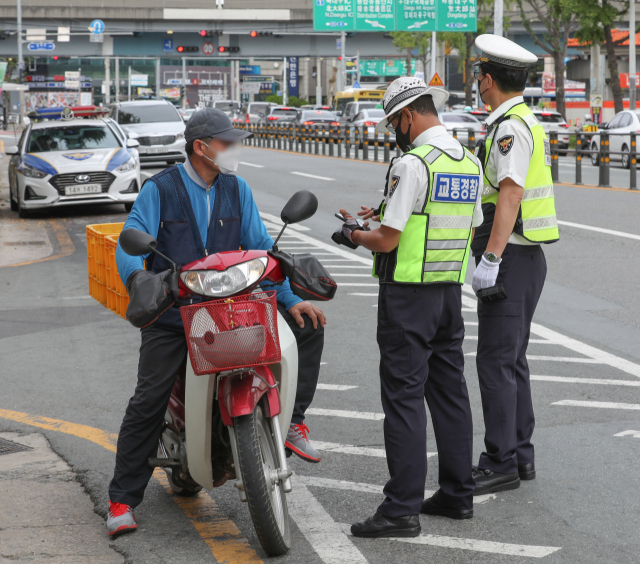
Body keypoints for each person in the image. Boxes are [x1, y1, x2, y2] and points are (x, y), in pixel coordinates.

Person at [106, 108, 326, 536]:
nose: (234, 149)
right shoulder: (161, 189)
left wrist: (290, 297)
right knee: (148, 400)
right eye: (227, 143)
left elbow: (261, 246)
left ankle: (292, 421)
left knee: (307, 327)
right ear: (201, 148)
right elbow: (129, 242)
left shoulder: (235, 188)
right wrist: (139, 279)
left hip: (230, 309)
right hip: (174, 313)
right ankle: (121, 500)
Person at [345, 77, 484, 538]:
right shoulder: (467, 160)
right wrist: (383, 215)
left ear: (407, 115)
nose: (393, 132)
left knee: (404, 399)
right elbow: (465, 220)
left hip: (408, 296)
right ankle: (457, 494)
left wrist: (354, 234)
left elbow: (388, 239)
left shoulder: (412, 163)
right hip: (449, 295)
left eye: (393, 123)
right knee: (450, 393)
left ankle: (401, 508)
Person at [470, 35, 559, 495]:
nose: (478, 86)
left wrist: (490, 258)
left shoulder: (509, 127)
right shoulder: (522, 120)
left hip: (512, 257)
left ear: (489, 80)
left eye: (479, 78)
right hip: (524, 256)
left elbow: (510, 193)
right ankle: (519, 457)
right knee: (511, 361)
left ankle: (500, 461)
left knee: (496, 362)